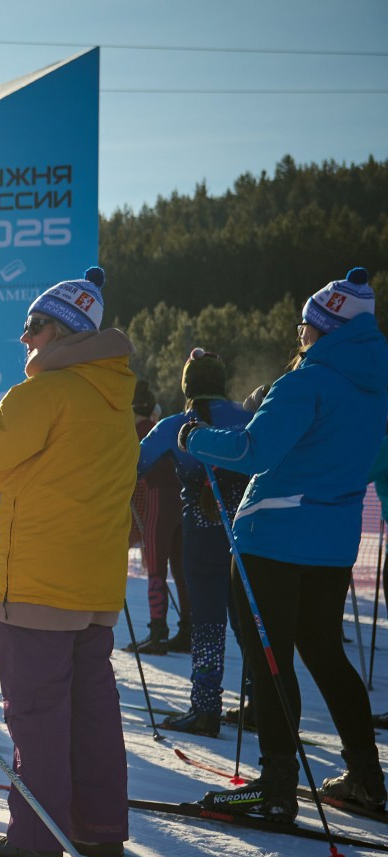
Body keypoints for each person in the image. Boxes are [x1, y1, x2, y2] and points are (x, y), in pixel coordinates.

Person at [0, 266, 137, 857]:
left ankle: (35, 837)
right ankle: (99, 827)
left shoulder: (47, 392)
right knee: (92, 707)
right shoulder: (112, 398)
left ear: (61, 329)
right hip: (93, 585)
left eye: (32, 327)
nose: (25, 340)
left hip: (38, 582)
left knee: (35, 711)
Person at [180, 267, 388, 818]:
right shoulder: (373, 386)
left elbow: (255, 451)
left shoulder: (308, 380)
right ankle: (367, 777)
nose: (298, 336)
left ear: (324, 327)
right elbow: (370, 462)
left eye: (303, 326)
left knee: (269, 658)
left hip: (272, 534)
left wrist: (196, 438)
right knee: (324, 653)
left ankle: (274, 786)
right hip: (332, 541)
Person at [138, 350, 251, 735]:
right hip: (248, 535)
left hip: (201, 537)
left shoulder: (174, 424)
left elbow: (134, 463)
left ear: (188, 386)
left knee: (207, 624)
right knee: (248, 621)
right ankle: (258, 703)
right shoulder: (250, 417)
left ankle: (206, 708)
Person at [128, 378, 188, 654]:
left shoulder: (135, 431)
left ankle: (158, 632)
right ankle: (187, 628)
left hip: (158, 501)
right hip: (182, 500)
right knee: (180, 568)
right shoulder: (156, 427)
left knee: (156, 568)